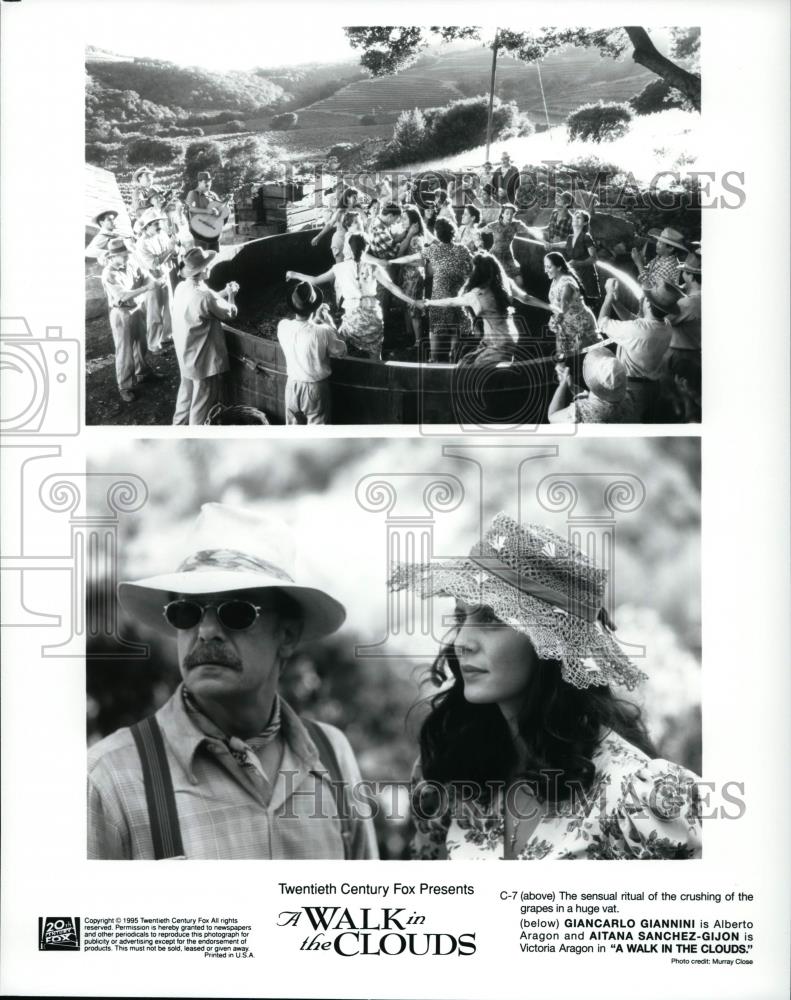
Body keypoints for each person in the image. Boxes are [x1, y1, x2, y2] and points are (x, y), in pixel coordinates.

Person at [388, 511, 702, 860]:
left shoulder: (638, 795)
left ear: (552, 642)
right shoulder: (448, 769)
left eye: (492, 618)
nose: (462, 641)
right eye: (461, 617)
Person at [88, 502, 378, 860]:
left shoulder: (332, 756)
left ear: (286, 636)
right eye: (187, 612)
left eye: (237, 611)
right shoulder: (110, 778)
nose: (207, 631)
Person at [288, 233, 415, 360]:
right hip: (373, 318)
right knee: (375, 352)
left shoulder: (339, 268)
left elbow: (315, 280)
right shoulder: (373, 267)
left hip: (353, 319)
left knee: (339, 339)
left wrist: (294, 274)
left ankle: (346, 366)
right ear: (366, 248)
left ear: (348, 249)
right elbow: (393, 288)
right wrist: (415, 302)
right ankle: (376, 367)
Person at [390, 217, 473, 363]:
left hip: (440, 296)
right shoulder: (462, 249)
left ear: (437, 234)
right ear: (452, 232)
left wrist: (391, 261)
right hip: (457, 295)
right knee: (455, 326)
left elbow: (409, 258)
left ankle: (433, 357)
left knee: (435, 329)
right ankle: (453, 356)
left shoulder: (433, 250)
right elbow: (472, 266)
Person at [422, 251, 527, 366]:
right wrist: (549, 306)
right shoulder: (505, 285)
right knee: (466, 362)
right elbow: (526, 298)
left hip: (500, 342)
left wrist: (429, 302)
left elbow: (451, 302)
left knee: (473, 370)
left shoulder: (476, 294)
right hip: (503, 338)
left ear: (477, 273)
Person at [598, 277, 681, 422]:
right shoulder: (666, 326)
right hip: (653, 388)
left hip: (632, 390)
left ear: (648, 304)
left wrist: (609, 296)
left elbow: (602, 323)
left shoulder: (638, 330)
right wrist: (616, 302)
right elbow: (632, 320)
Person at [171, 246, 238, 425]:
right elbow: (230, 313)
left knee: (185, 396)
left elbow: (207, 300)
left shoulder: (181, 288)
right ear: (201, 271)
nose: (209, 267)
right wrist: (232, 296)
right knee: (201, 403)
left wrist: (223, 292)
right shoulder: (205, 296)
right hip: (202, 361)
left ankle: (177, 427)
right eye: (207, 265)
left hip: (185, 354)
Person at [276, 281, 347, 424]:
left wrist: (315, 319)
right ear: (314, 307)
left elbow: (304, 331)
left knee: (293, 430)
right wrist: (329, 322)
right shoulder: (323, 332)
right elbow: (342, 351)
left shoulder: (283, 326)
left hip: (292, 386)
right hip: (315, 389)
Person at [100, 237, 156, 404]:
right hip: (121, 313)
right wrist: (146, 288)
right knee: (124, 351)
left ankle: (142, 373)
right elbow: (122, 296)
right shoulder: (109, 274)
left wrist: (149, 281)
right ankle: (125, 385)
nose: (126, 257)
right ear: (112, 257)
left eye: (126, 254)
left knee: (141, 343)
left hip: (137, 308)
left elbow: (145, 275)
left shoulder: (130, 263)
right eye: (123, 255)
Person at [543, 252, 601, 388]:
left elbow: (563, 308)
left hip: (580, 325)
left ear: (559, 267)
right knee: (564, 364)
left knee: (587, 361)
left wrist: (553, 321)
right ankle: (569, 391)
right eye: (545, 266)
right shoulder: (556, 278)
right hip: (565, 326)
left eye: (549, 267)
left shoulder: (567, 284)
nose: (546, 270)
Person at [548, 349, 635, 423]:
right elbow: (597, 398)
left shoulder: (579, 413)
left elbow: (552, 417)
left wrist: (562, 384)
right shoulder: (628, 397)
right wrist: (572, 386)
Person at [134, 208, 175, 353]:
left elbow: (169, 253)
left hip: (165, 274)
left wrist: (174, 249)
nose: (158, 226)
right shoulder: (142, 244)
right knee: (154, 312)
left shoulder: (161, 234)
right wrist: (169, 250)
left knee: (169, 307)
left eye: (159, 222)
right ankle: (153, 343)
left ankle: (167, 336)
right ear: (146, 227)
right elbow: (153, 263)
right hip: (150, 279)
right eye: (154, 223)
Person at [547, 209, 600, 304]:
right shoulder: (570, 237)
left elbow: (594, 258)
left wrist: (578, 263)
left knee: (588, 302)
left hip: (586, 276)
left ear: (584, 223)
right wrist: (552, 245)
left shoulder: (586, 237)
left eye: (579, 218)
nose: (575, 219)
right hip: (574, 274)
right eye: (574, 217)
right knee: (572, 301)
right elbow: (566, 244)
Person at [482, 203, 532, 290]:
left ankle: (519, 299)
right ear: (502, 214)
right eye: (507, 213)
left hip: (507, 255)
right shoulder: (495, 225)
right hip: (494, 254)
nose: (509, 216)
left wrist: (544, 241)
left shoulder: (516, 225)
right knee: (492, 278)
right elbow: (479, 232)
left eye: (512, 214)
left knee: (519, 280)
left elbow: (530, 231)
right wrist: (479, 245)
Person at [310, 186, 365, 263]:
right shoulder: (340, 211)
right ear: (347, 198)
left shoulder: (358, 211)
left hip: (354, 241)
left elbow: (366, 222)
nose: (356, 199)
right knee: (341, 267)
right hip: (340, 240)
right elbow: (329, 224)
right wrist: (318, 237)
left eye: (357, 197)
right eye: (354, 197)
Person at [185, 171, 224, 252]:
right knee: (203, 259)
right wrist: (207, 211)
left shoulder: (212, 194)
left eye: (210, 181)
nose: (208, 183)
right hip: (200, 235)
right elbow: (191, 208)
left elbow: (220, 207)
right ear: (199, 182)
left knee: (214, 256)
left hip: (214, 233)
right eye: (206, 182)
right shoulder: (193, 193)